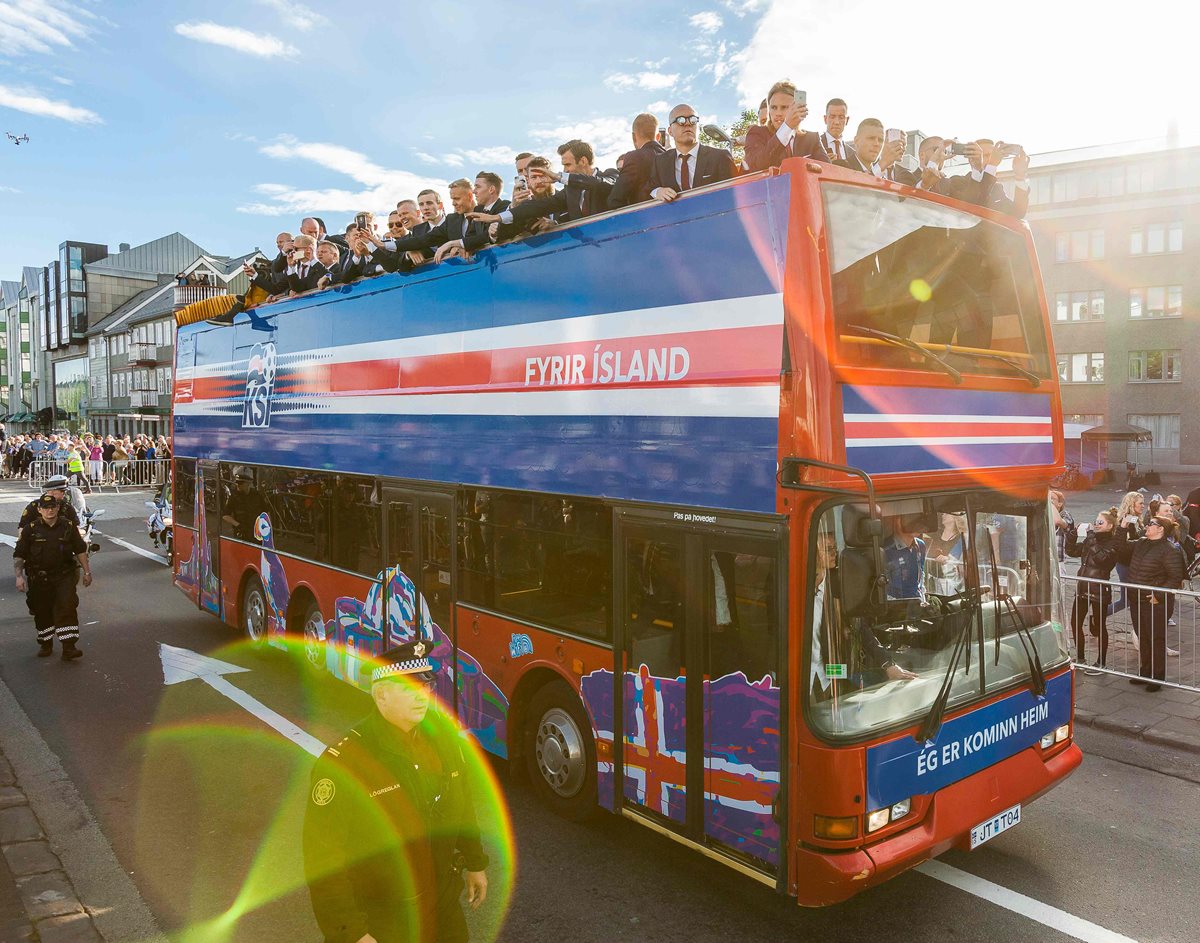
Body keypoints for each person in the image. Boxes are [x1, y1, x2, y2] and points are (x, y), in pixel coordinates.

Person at [303, 641, 490, 943]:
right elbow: (324, 858)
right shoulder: (347, 762)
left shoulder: (442, 738)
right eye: (409, 688)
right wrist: (351, 932)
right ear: (381, 696)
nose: (422, 696)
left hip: (442, 904)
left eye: (427, 685)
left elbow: (461, 802)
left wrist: (475, 862)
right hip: (383, 919)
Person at [13, 492, 94, 659]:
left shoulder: (68, 526)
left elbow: (80, 550)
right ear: (40, 510)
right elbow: (19, 554)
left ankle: (69, 647)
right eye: (45, 508)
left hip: (64, 575)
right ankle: (46, 643)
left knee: (67, 606)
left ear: (57, 508)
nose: (49, 510)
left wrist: (87, 572)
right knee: (42, 611)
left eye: (52, 507)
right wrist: (19, 576)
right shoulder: (31, 529)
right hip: (39, 578)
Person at [1116, 515, 1184, 692]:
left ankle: (1157, 676)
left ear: (1160, 528)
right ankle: (1145, 671)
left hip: (1153, 601)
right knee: (1143, 636)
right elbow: (1120, 549)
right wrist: (1122, 527)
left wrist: (1158, 595)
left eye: (1151, 524)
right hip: (1137, 598)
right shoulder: (1141, 542)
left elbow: (1175, 577)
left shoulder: (1169, 550)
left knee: (1156, 638)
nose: (1147, 526)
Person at [1064, 508, 1121, 673]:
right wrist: (1073, 533)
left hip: (1099, 589)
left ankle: (1101, 662)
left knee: (1100, 626)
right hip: (1083, 587)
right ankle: (1080, 657)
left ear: (1110, 526)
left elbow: (1102, 559)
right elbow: (1071, 551)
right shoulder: (1091, 540)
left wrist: (1089, 536)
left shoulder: (1112, 542)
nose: (1096, 524)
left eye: (1100, 522)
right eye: (1096, 521)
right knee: (1075, 622)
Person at [648, 103, 737, 201]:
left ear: (698, 127)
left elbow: (736, 195)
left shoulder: (720, 157)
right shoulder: (660, 162)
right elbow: (649, 189)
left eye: (693, 120)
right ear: (670, 131)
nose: (688, 124)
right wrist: (657, 191)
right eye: (680, 120)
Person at [744, 80, 829, 171]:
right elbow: (755, 165)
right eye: (774, 107)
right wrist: (786, 127)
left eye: (784, 107)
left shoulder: (812, 139)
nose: (778, 113)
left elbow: (829, 172)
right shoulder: (757, 133)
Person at [607, 112, 667, 208]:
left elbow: (615, 200)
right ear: (658, 136)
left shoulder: (634, 157)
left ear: (634, 137)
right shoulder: (669, 157)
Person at [1108, 491, 1145, 616]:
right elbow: (1123, 546)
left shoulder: (1136, 520)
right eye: (1140, 503)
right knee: (1126, 600)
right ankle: (1099, 615)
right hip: (1125, 564)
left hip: (1132, 564)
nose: (1143, 506)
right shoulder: (1127, 520)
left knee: (1130, 599)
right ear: (1131, 504)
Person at [222, 471, 266, 540]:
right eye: (237, 483)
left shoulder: (256, 495)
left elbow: (265, 510)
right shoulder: (234, 496)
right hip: (242, 532)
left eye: (241, 483)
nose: (238, 485)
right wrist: (238, 525)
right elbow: (225, 515)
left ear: (248, 484)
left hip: (256, 531)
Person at [819, 98, 853, 162]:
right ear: (825, 119)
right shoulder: (814, 146)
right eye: (832, 117)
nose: (836, 122)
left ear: (847, 120)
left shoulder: (852, 153)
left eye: (841, 117)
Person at [1050, 490, 1074, 563]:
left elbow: (1057, 521)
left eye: (1051, 498)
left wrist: (1049, 504)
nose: (1048, 499)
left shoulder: (1065, 515)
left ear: (1060, 503)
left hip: (1058, 562)